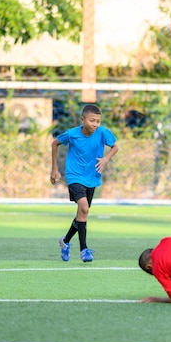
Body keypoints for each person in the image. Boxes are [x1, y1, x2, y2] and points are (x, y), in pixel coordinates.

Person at [51, 104, 119, 262]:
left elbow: (115, 146)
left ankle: (65, 241)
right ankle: (84, 250)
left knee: (82, 213)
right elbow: (55, 143)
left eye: (98, 121)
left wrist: (105, 159)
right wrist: (54, 169)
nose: (95, 124)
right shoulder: (72, 134)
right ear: (83, 120)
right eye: (92, 120)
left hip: (92, 177)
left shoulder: (102, 132)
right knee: (84, 208)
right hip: (74, 176)